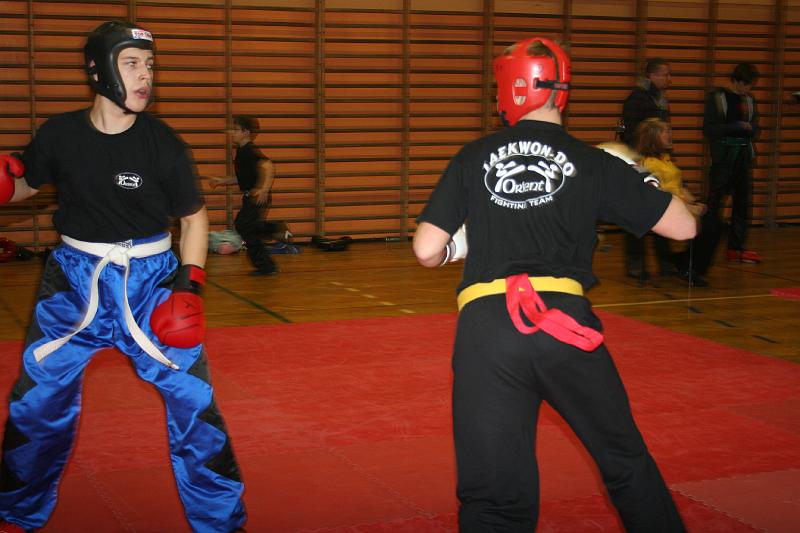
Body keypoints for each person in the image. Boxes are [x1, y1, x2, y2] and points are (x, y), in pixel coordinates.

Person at [413, 37, 695, 532]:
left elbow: (425, 250)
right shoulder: (592, 160)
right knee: (624, 461)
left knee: (493, 493)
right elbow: (684, 228)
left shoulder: (474, 155)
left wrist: (464, 244)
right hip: (564, 324)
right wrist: (641, 178)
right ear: (562, 91)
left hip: (487, 331)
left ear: (510, 87)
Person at [0, 21, 245, 533]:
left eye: (149, 66)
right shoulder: (60, 133)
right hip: (72, 283)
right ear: (98, 70)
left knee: (194, 401)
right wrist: (5, 183)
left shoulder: (162, 142)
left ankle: (221, 520)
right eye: (132, 64)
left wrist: (189, 286)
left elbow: (194, 218)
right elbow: (26, 186)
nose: (145, 77)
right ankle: (16, 509)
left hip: (149, 282)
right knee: (36, 401)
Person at [699, 62, 762, 265]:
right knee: (714, 204)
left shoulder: (749, 100)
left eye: (749, 85)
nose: (746, 89)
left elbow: (756, 128)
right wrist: (734, 127)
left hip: (742, 158)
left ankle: (736, 248)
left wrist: (751, 128)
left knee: (742, 204)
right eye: (743, 84)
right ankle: (705, 245)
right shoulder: (718, 98)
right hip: (723, 159)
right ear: (734, 80)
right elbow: (709, 129)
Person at [210, 115, 284, 275]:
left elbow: (268, 166)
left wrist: (263, 189)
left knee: (244, 226)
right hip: (250, 196)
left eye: (236, 130)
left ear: (246, 132)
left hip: (256, 197)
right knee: (247, 230)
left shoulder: (249, 150)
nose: (232, 132)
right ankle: (266, 267)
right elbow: (242, 177)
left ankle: (276, 228)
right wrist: (222, 181)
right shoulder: (241, 151)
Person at [621, 57, 673, 280]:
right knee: (637, 213)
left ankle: (665, 261)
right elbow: (632, 134)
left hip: (658, 159)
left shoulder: (659, 99)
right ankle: (635, 262)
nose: (669, 79)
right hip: (640, 163)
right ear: (652, 75)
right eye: (665, 74)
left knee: (663, 210)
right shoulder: (637, 99)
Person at [636, 118, 707, 279]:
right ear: (654, 137)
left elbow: (679, 186)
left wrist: (694, 202)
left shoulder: (666, 159)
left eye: (669, 131)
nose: (670, 134)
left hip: (676, 204)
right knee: (704, 226)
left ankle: (680, 263)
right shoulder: (650, 164)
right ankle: (685, 266)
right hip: (664, 207)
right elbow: (663, 196)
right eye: (665, 132)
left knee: (711, 223)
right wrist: (689, 208)